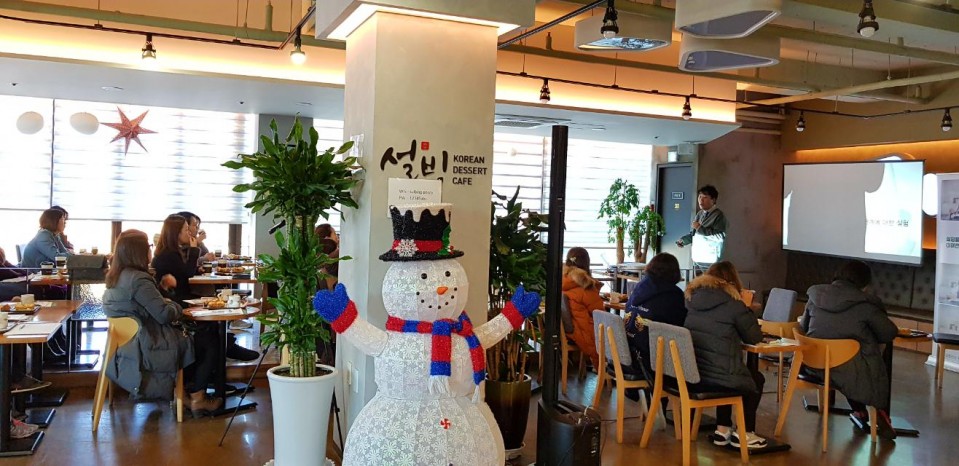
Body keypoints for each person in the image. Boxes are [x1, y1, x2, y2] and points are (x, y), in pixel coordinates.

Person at [101, 229, 222, 416]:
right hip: (149, 342)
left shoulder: (116, 276)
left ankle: (183, 392)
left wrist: (163, 291)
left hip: (127, 342)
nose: (151, 249)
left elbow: (147, 305)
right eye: (148, 246)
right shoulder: (138, 279)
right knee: (209, 338)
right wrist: (175, 305)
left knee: (202, 333)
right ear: (139, 251)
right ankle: (198, 397)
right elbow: (164, 315)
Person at [800, 259, 898, 440]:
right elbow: (889, 333)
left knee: (846, 366)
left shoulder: (815, 296)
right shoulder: (866, 305)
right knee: (859, 363)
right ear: (864, 282)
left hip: (812, 365)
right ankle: (877, 409)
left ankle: (860, 411)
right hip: (850, 370)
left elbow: (803, 328)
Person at [684, 261, 766, 449]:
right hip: (720, 377)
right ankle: (745, 433)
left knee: (727, 369)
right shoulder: (734, 305)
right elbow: (754, 337)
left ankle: (723, 429)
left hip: (696, 372)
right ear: (732, 281)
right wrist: (746, 307)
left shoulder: (692, 299)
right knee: (754, 379)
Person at [623, 252, 687, 377]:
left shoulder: (638, 289)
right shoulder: (673, 296)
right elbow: (682, 327)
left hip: (626, 356)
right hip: (649, 362)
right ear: (674, 273)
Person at [562, 247, 602, 369]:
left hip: (569, 330)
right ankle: (607, 371)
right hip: (585, 332)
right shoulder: (585, 286)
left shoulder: (562, 281)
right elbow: (600, 313)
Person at [676, 185, 727, 269]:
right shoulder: (700, 214)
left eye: (705, 197)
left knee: (710, 278)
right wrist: (684, 240)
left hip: (711, 260)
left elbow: (720, 236)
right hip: (697, 258)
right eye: (700, 197)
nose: (701, 200)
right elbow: (695, 234)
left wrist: (699, 228)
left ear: (713, 200)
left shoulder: (719, 215)